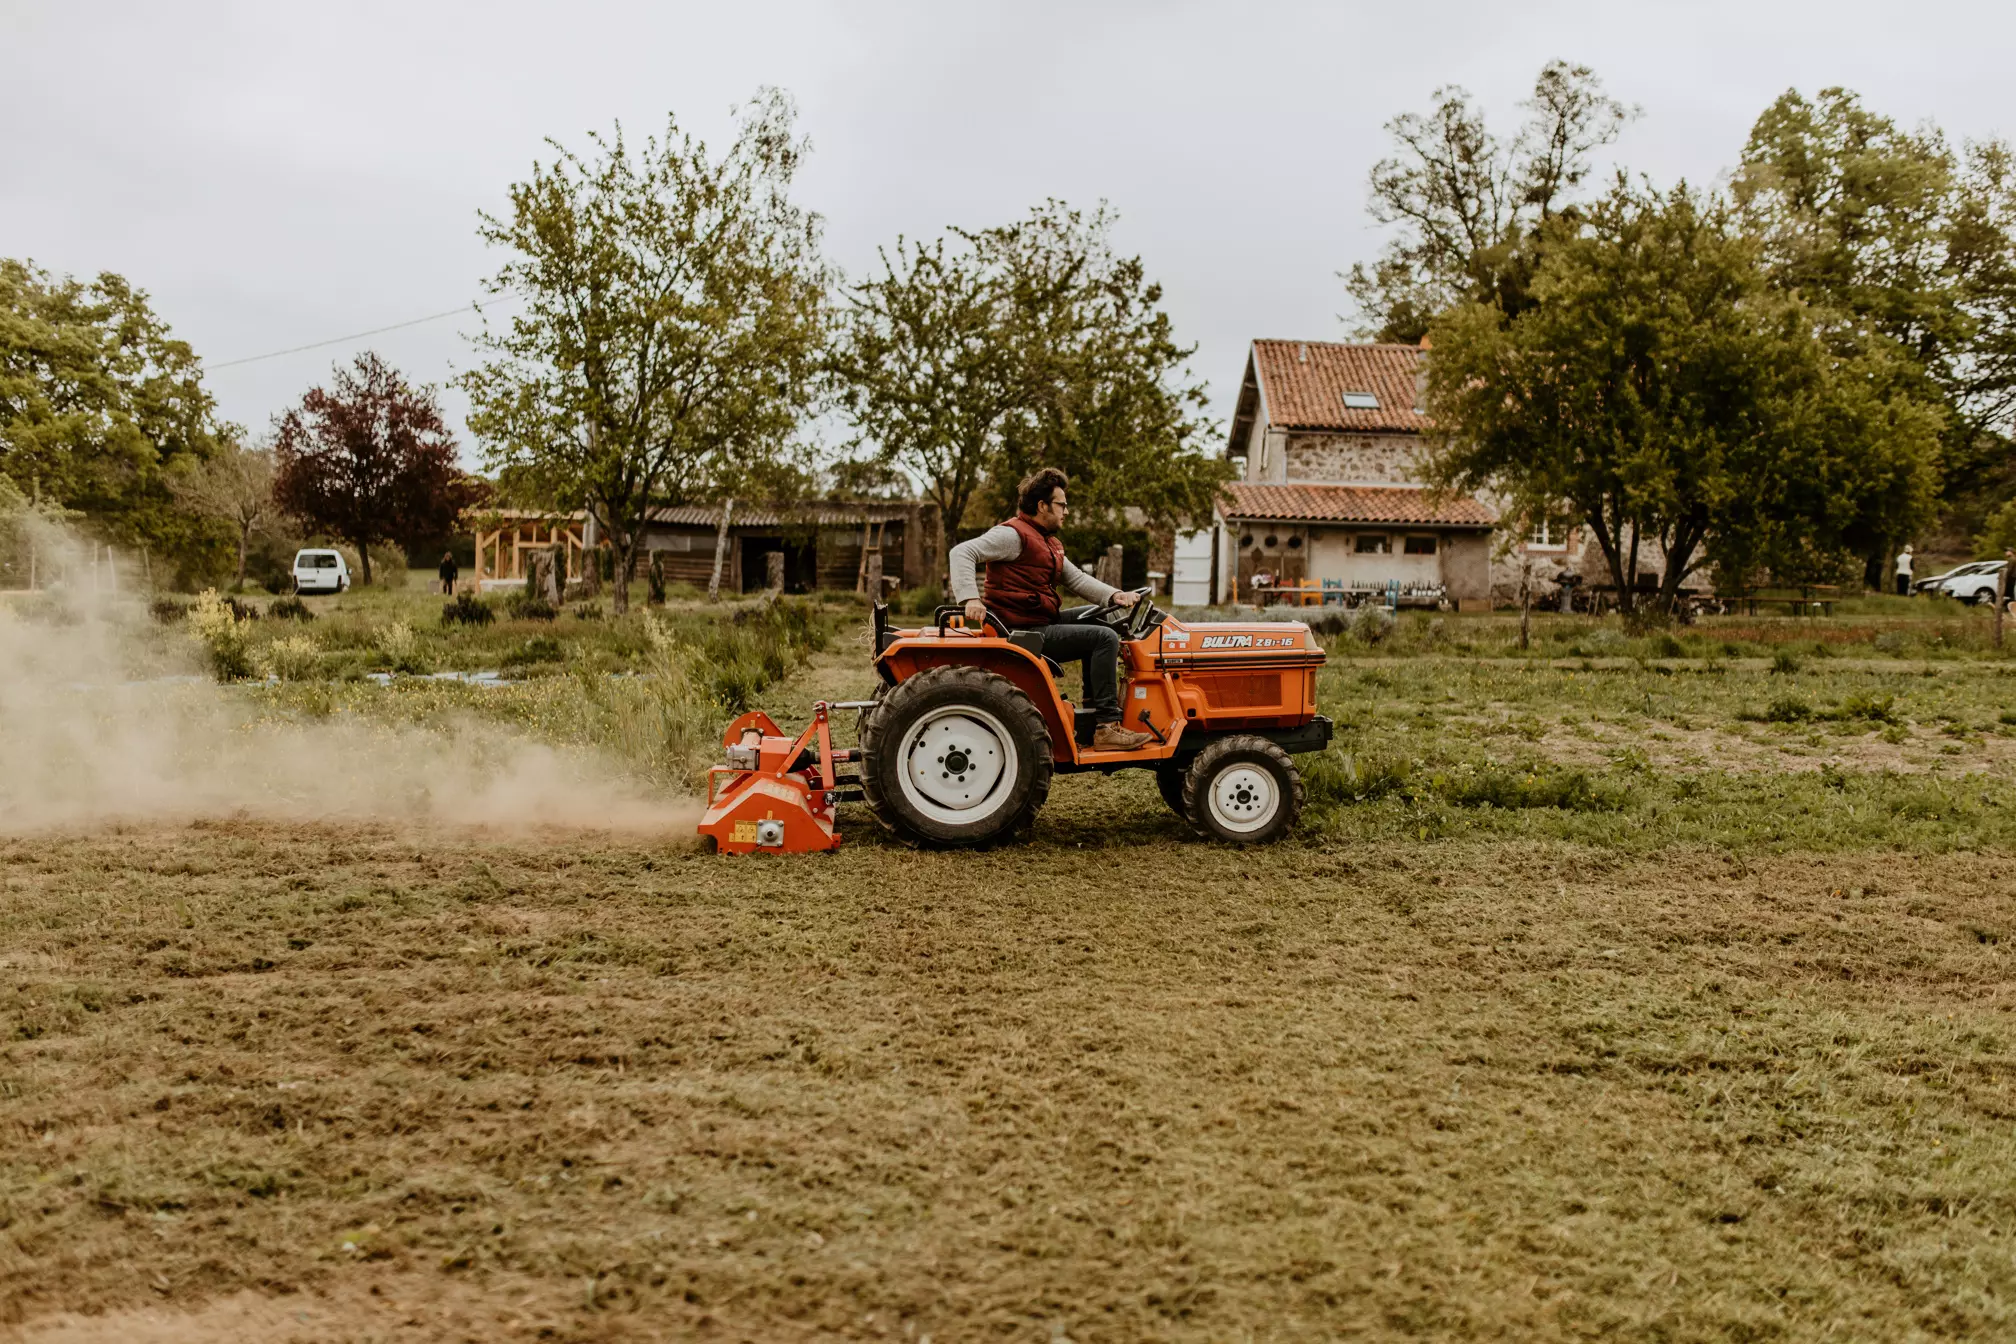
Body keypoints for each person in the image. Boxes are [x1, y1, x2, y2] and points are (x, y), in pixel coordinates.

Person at [949, 467, 1152, 751]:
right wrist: (970, 598)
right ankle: (1107, 726)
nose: (1066, 512)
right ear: (1042, 505)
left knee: (1104, 626)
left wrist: (1115, 595)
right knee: (1104, 638)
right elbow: (962, 552)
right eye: (1062, 505)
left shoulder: (1047, 542)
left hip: (1038, 620)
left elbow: (1076, 578)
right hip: (1022, 630)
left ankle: (1093, 720)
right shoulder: (1013, 536)